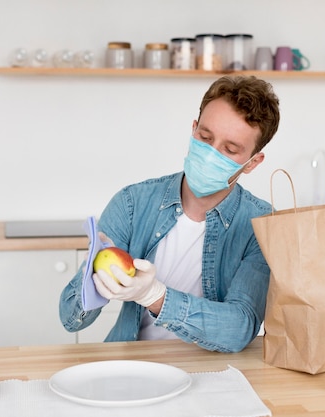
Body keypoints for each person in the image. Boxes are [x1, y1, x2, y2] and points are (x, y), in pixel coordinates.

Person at [59, 75, 280, 353]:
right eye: (205, 137)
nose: (211, 153)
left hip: (214, 371)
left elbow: (239, 328)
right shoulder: (132, 203)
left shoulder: (262, 225)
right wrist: (94, 282)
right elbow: (70, 320)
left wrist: (154, 296)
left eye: (230, 149)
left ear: (253, 162)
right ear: (193, 129)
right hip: (132, 363)